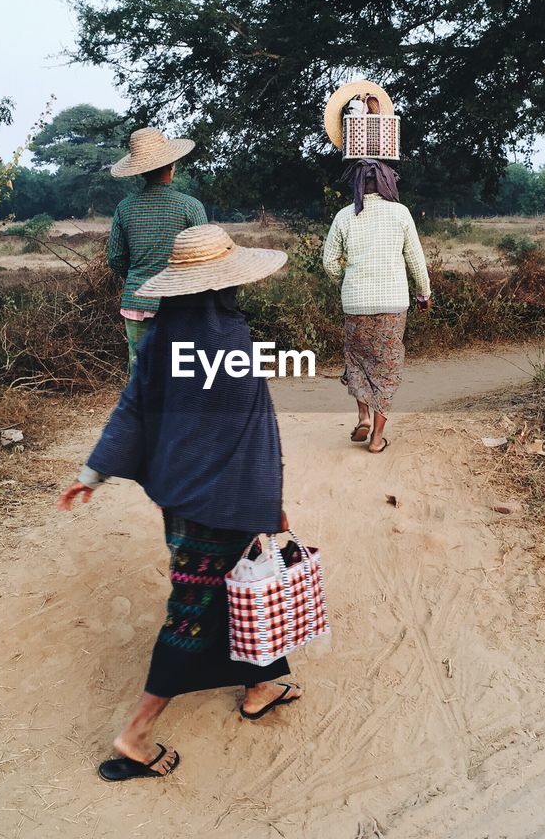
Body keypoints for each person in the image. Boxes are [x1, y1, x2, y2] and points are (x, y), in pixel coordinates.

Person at [59, 223, 300, 783]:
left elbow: (132, 409)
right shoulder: (234, 348)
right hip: (223, 505)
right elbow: (255, 440)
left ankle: (259, 686)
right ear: (224, 287)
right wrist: (271, 506)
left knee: (237, 585)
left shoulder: (161, 340)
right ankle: (137, 732)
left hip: (182, 500)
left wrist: (91, 473)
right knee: (192, 614)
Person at [322, 158, 432, 453]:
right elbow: (416, 261)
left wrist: (347, 280)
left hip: (355, 303)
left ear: (357, 185)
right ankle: (377, 439)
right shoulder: (400, 213)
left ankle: (363, 416)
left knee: (357, 361)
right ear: (387, 184)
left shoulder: (344, 216)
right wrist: (424, 294)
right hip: (393, 303)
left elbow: (329, 262)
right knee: (387, 364)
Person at [107, 127, 207, 372]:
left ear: (140, 170)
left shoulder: (124, 208)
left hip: (137, 300)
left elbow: (116, 260)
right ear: (171, 165)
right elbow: (205, 261)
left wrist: (139, 274)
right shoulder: (190, 207)